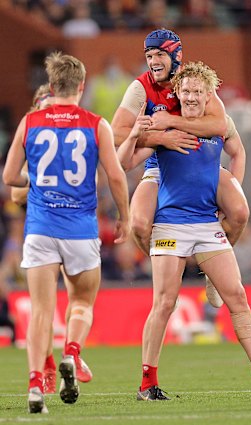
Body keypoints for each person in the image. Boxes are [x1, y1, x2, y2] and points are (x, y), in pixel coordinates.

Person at [117, 61, 251, 401]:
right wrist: (138, 133)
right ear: (177, 93)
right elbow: (124, 163)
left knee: (237, 296)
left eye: (197, 91)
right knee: (164, 302)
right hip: (170, 224)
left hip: (207, 224)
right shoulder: (166, 132)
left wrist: (230, 188)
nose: (191, 96)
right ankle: (147, 384)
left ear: (209, 95)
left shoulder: (217, 125)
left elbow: (234, 145)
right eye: (186, 91)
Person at [3, 51, 130, 414]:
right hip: (80, 228)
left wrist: (39, 182)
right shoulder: (95, 123)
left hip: (40, 228)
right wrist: (124, 215)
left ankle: (33, 387)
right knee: (82, 302)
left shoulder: (30, 122)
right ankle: (72, 354)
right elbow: (116, 176)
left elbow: (10, 178)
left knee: (42, 311)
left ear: (51, 85)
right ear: (82, 86)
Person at [111, 28, 249, 309]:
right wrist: (161, 138)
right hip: (159, 165)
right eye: (149, 56)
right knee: (138, 223)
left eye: (160, 54)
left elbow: (220, 127)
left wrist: (171, 123)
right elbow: (116, 134)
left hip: (203, 163)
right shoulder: (141, 87)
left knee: (239, 212)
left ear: (176, 56)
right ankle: (163, 270)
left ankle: (213, 269)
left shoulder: (196, 83)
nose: (153, 62)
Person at [11, 84, 94, 394]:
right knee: (49, 306)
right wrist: (45, 183)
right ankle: (50, 361)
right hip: (49, 228)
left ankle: (68, 358)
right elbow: (15, 191)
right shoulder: (33, 142)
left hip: (59, 229)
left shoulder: (54, 139)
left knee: (64, 302)